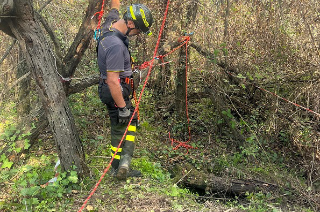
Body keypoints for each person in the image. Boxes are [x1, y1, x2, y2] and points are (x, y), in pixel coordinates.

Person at [97, 0, 153, 180]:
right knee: (120, 126)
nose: (137, 35)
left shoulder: (111, 23)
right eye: (137, 30)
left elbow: (114, 7)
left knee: (131, 120)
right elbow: (113, 81)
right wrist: (122, 107)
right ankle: (118, 168)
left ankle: (124, 164)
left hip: (117, 89)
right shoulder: (115, 45)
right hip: (115, 91)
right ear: (130, 24)